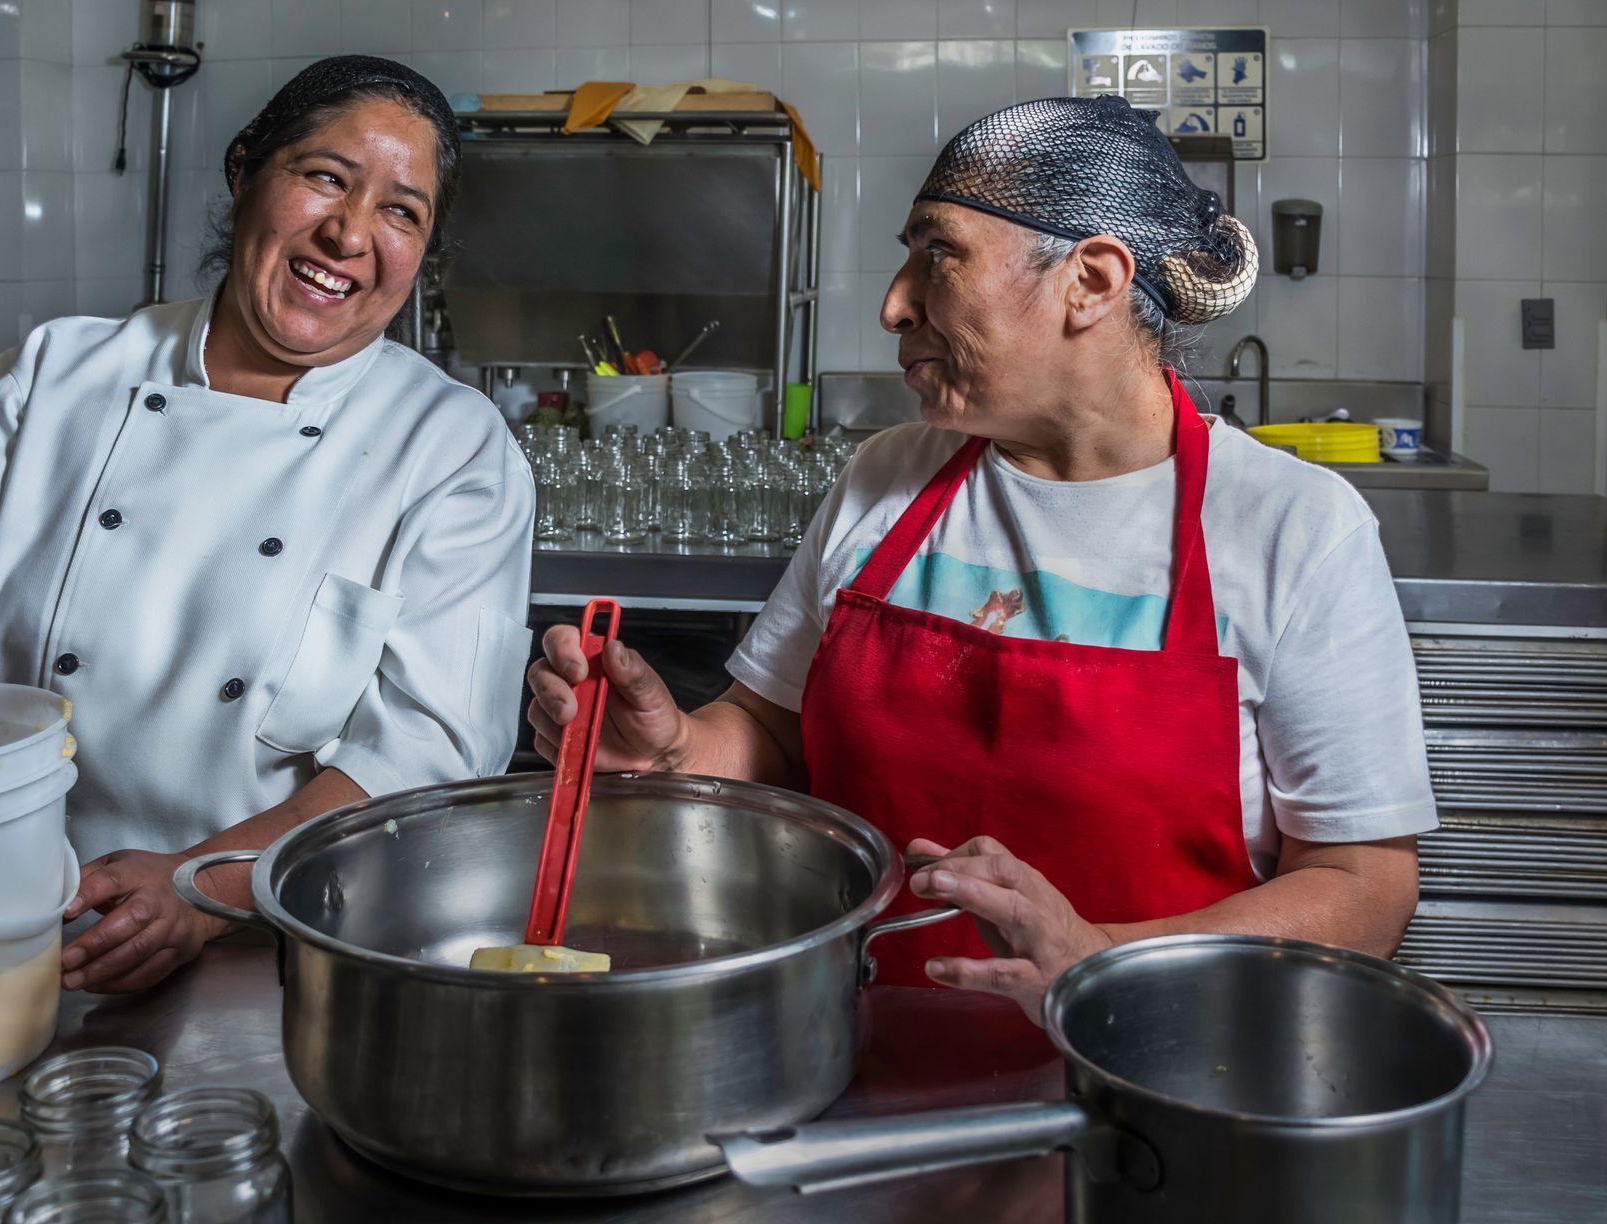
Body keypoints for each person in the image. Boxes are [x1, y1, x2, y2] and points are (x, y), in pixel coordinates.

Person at [528, 97, 1436, 1032]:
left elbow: (1364, 884)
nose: (894, 302)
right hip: (850, 1058)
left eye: (938, 255)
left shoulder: (1293, 528)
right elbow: (770, 731)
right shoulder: (888, 478)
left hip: (1154, 1082)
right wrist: (673, 749)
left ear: (1090, 280)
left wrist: (1105, 966)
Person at [0, 58, 534, 994]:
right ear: (247, 168)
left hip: (290, 960)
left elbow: (428, 753)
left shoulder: (451, 447)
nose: (349, 232)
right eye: (325, 176)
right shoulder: (53, 375)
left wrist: (204, 884)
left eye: (401, 212)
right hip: (8, 923)